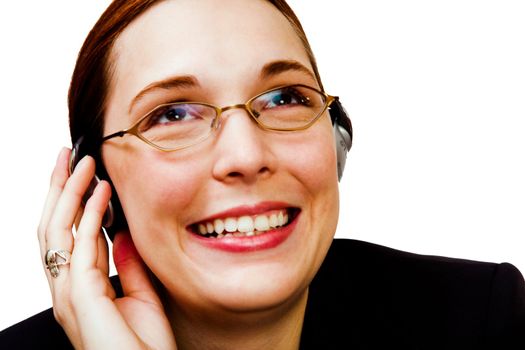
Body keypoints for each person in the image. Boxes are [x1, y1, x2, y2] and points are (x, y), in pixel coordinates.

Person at [1, 0, 524, 349]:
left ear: (337, 139)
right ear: (97, 190)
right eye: (173, 114)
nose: (246, 155)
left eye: (285, 99)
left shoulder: (482, 319)